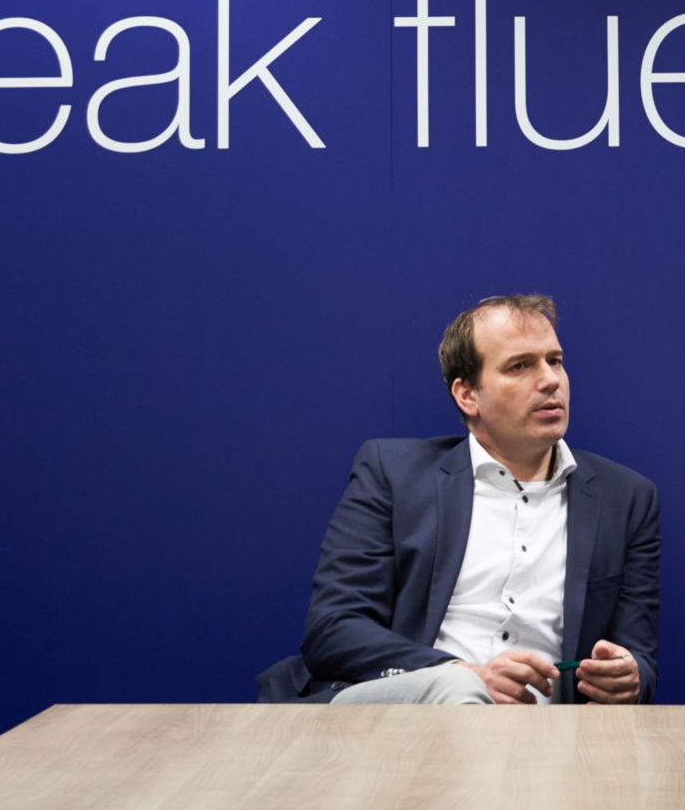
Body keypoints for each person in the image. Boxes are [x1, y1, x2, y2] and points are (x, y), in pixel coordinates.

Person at [271, 293, 659, 705]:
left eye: (555, 360)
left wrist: (628, 677)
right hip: (408, 718)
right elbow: (334, 629)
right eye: (520, 366)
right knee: (458, 689)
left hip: (549, 729)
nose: (550, 380)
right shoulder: (394, 475)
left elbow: (641, 662)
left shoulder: (627, 499)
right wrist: (466, 675)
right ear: (467, 395)